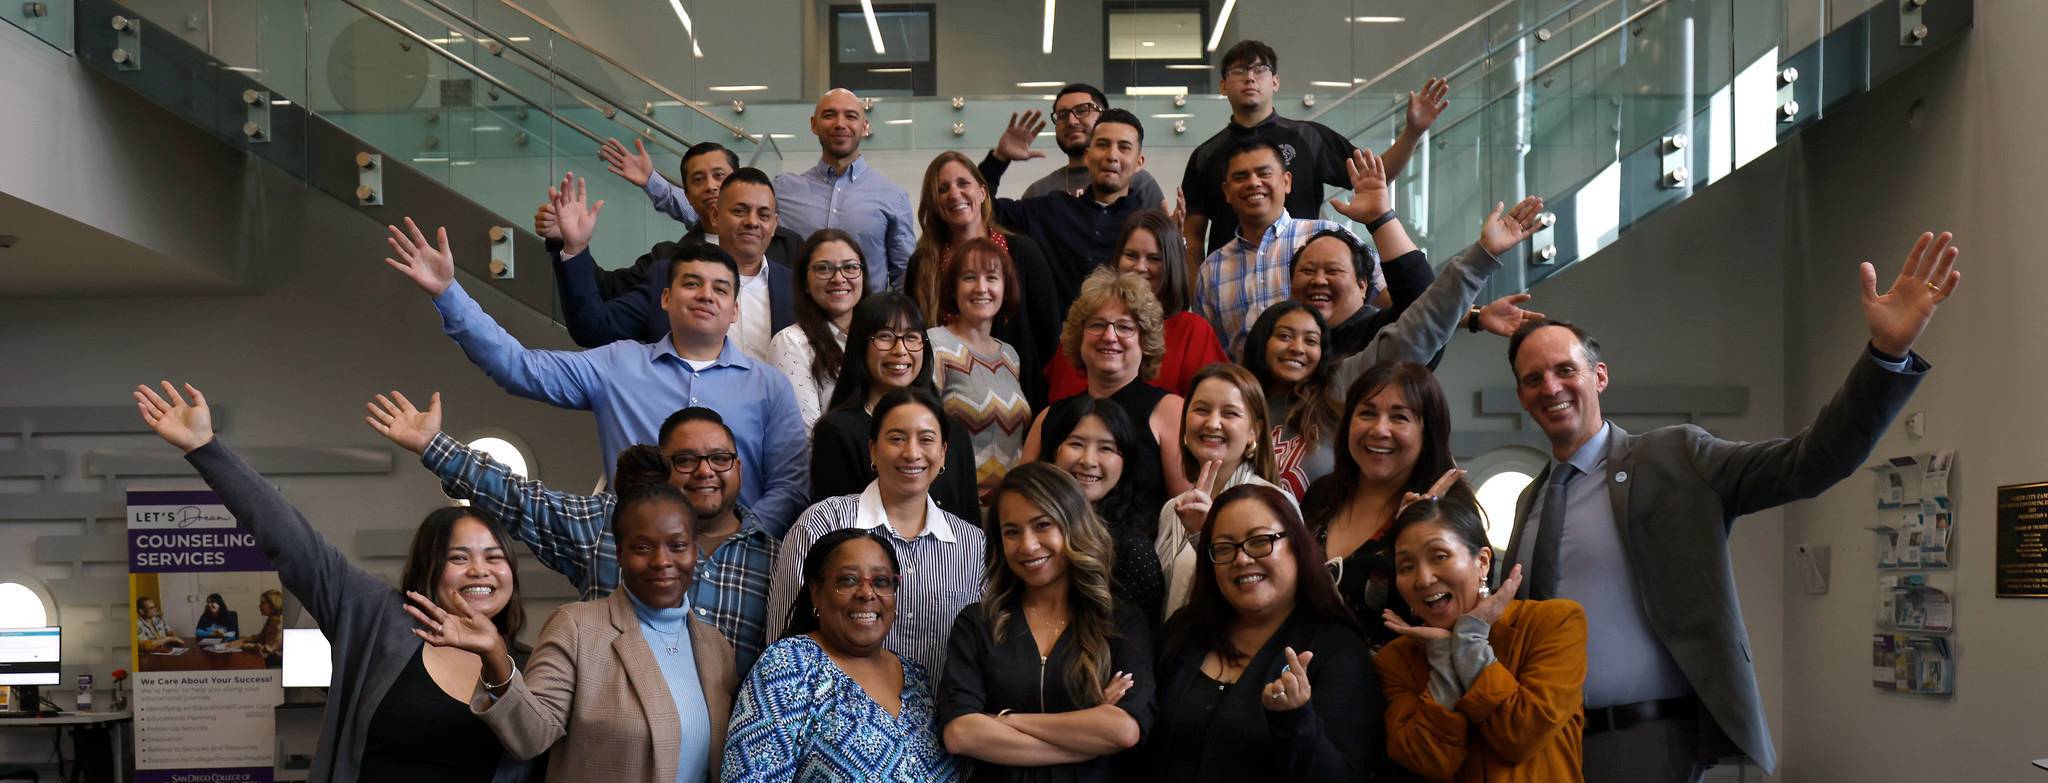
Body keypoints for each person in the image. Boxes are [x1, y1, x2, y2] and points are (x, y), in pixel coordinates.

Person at [1500, 232, 1960, 781]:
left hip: (1645, 745)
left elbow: (1810, 462)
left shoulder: (1674, 457)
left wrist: (1886, 358)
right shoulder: (1532, 500)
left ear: (1598, 376)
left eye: (1564, 370)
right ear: (1523, 397)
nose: (1550, 387)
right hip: (1541, 744)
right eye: (1533, 380)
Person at [132, 382, 531, 782]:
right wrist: (206, 448)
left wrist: (496, 653)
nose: (480, 570)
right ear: (430, 567)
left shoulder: (536, 667)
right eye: (459, 558)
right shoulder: (379, 617)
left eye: (494, 558)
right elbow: (294, 542)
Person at [381, 213, 810, 533]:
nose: (706, 295)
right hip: (630, 557)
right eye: (692, 283)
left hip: (737, 572)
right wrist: (448, 293)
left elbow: (789, 485)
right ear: (665, 298)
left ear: (735, 309)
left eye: (720, 288)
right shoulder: (618, 363)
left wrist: (742, 542)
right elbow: (520, 368)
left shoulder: (769, 384)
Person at [368, 394, 782, 674]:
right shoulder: (607, 523)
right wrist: (434, 445)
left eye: (720, 458)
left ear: (739, 467)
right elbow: (517, 498)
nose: (706, 471)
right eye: (687, 460)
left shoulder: (777, 560)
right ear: (663, 467)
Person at [413, 446, 737, 783]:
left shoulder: (716, 648)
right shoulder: (578, 628)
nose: (662, 561)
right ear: (620, 554)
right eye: (642, 547)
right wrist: (495, 655)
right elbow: (530, 739)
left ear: (695, 552)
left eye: (677, 546)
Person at [1148, 484, 1380, 781]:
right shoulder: (1185, 630)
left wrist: (1295, 720)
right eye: (1224, 547)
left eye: (1260, 541)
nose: (1242, 559)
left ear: (1297, 546)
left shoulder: (1338, 649)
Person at [939, 463, 1155, 781]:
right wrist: (1089, 731)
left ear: (1073, 526)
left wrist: (1004, 719)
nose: (1027, 545)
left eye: (1042, 525)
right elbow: (961, 734)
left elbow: (1123, 729)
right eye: (1012, 532)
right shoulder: (978, 622)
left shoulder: (1120, 622)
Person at [768, 388, 988, 676]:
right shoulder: (821, 524)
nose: (912, 453)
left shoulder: (972, 544)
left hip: (939, 717)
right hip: (834, 714)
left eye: (926, 440)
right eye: (897, 438)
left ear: (943, 452)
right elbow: (782, 639)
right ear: (873, 449)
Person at [1377, 494, 1587, 783]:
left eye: (1439, 556)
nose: (1423, 579)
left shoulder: (1553, 623)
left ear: (1483, 562)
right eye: (1407, 567)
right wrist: (1444, 663)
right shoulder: (1396, 659)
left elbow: (1521, 737)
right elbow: (1426, 761)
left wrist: (1469, 642)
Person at [1180, 38, 1448, 259]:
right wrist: (1196, 298)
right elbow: (1192, 237)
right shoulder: (1206, 156)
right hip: (1231, 283)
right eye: (1239, 71)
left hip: (1305, 278)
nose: (1250, 78)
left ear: (1275, 82)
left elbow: (1375, 178)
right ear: (1223, 85)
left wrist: (1412, 132)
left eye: (1260, 70)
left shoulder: (1309, 137)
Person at [725, 528, 957, 781]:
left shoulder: (915, 677)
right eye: (848, 580)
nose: (867, 593)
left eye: (881, 582)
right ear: (816, 592)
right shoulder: (789, 665)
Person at [632, 90, 914, 293]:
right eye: (829, 115)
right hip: (797, 327)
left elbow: (905, 276)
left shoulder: (893, 196)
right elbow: (717, 212)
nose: (840, 123)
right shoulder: (781, 189)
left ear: (865, 126)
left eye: (850, 116)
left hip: (865, 330)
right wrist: (653, 182)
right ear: (814, 124)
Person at [551, 169, 798, 361]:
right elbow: (593, 328)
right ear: (715, 216)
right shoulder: (667, 276)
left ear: (775, 224)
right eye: (740, 211)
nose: (752, 222)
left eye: (763, 215)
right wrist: (575, 248)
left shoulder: (797, 288)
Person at [1197, 137, 1390, 355]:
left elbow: (1395, 303)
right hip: (1248, 388)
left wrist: (1382, 218)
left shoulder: (1330, 238)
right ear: (1227, 191)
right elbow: (1213, 356)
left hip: (1332, 382)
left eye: (1264, 173)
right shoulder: (1211, 270)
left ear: (1286, 181)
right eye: (1241, 177)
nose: (1253, 183)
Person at [558, 140, 803, 303]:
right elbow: (608, 289)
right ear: (687, 195)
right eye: (698, 180)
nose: (711, 187)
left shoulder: (787, 246)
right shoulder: (668, 260)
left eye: (719, 176)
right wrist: (571, 245)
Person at [1021, 267, 1190, 504]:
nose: (1109, 336)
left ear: (1144, 340)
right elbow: (1021, 502)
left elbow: (1183, 516)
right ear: (1079, 338)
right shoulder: (1049, 418)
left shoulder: (1170, 411)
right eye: (1097, 325)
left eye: (1124, 327)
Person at [906, 151, 1060, 407]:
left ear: (983, 192)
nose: (954, 194)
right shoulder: (922, 264)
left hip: (1023, 402)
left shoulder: (1023, 252)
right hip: (945, 408)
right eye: (943, 189)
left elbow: (1050, 336)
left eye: (963, 183)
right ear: (934, 203)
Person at [811, 293, 981, 520]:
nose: (900, 350)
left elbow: (970, 526)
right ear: (860, 345)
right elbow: (833, 526)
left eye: (912, 337)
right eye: (885, 336)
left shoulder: (953, 431)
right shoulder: (836, 432)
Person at [979, 109, 1153, 315]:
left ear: (1139, 163)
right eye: (1103, 145)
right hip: (1054, 344)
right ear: (1088, 156)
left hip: (1124, 342)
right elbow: (980, 210)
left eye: (1124, 148)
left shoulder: (1148, 228)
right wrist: (999, 160)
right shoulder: (1051, 210)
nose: (1112, 155)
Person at [1044, 210, 1227, 403]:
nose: (1140, 267)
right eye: (1131, 255)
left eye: (1154, 258)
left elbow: (1212, 407)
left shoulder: (1193, 331)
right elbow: (1057, 404)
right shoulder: (1084, 327)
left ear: (1171, 265)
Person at [1156, 364, 1290, 617]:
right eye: (1201, 410)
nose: (1213, 423)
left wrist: (1205, 534)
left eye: (1230, 413)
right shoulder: (1172, 508)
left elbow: (1273, 605)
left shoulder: (1273, 504)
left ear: (1255, 431)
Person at [1039, 396, 1168, 629]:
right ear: (1054, 451)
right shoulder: (1027, 531)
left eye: (1106, 448)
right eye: (1076, 444)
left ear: (1125, 462)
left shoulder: (1134, 551)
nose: (1088, 460)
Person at [928, 237, 1032, 503]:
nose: (981, 287)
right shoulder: (934, 344)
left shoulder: (1010, 355)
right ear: (953, 288)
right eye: (969, 277)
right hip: (956, 506)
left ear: (1005, 288)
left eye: (992, 278)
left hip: (1008, 509)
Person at [980, 83, 1164, 207]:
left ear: (1105, 116)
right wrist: (999, 159)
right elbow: (978, 212)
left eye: (1082, 111)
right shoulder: (1040, 192)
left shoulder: (1137, 181)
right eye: (1062, 115)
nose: (1072, 121)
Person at [770, 229, 866, 432]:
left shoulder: (879, 336)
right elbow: (807, 435)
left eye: (850, 267)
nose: (839, 278)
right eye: (823, 269)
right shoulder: (791, 341)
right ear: (805, 282)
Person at [228, 590, 286, 662]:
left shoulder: (279, 625)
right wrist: (241, 640)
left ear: (272, 604)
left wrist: (243, 645)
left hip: (275, 662)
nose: (259, 606)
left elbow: (266, 651)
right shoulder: (271, 620)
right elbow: (259, 637)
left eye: (262, 603)